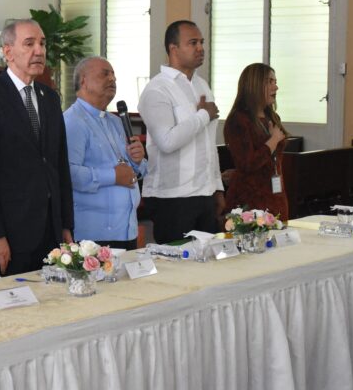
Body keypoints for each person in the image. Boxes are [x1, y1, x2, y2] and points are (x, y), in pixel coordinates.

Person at [0, 19, 74, 277]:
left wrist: (65, 225)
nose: (39, 51)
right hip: (12, 232)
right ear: (8, 52)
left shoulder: (50, 98)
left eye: (42, 44)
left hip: (50, 230)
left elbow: (60, 166)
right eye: (29, 44)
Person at [137, 20, 225, 243]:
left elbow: (209, 143)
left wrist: (217, 186)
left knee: (208, 261)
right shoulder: (157, 89)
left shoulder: (201, 85)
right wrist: (203, 115)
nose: (200, 48)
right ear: (173, 48)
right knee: (177, 262)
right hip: (173, 198)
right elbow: (166, 141)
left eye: (201, 42)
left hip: (204, 193)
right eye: (193, 43)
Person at [64, 57, 147, 250]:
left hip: (126, 229)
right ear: (83, 81)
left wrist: (138, 161)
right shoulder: (73, 121)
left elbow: (132, 171)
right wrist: (113, 176)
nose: (112, 79)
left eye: (114, 75)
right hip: (94, 236)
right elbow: (68, 173)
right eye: (105, 74)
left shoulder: (116, 122)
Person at [224, 63, 289, 220]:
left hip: (275, 194)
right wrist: (273, 140)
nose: (276, 87)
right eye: (270, 82)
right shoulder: (239, 120)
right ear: (254, 85)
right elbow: (247, 164)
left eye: (275, 81)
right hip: (250, 200)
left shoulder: (272, 117)